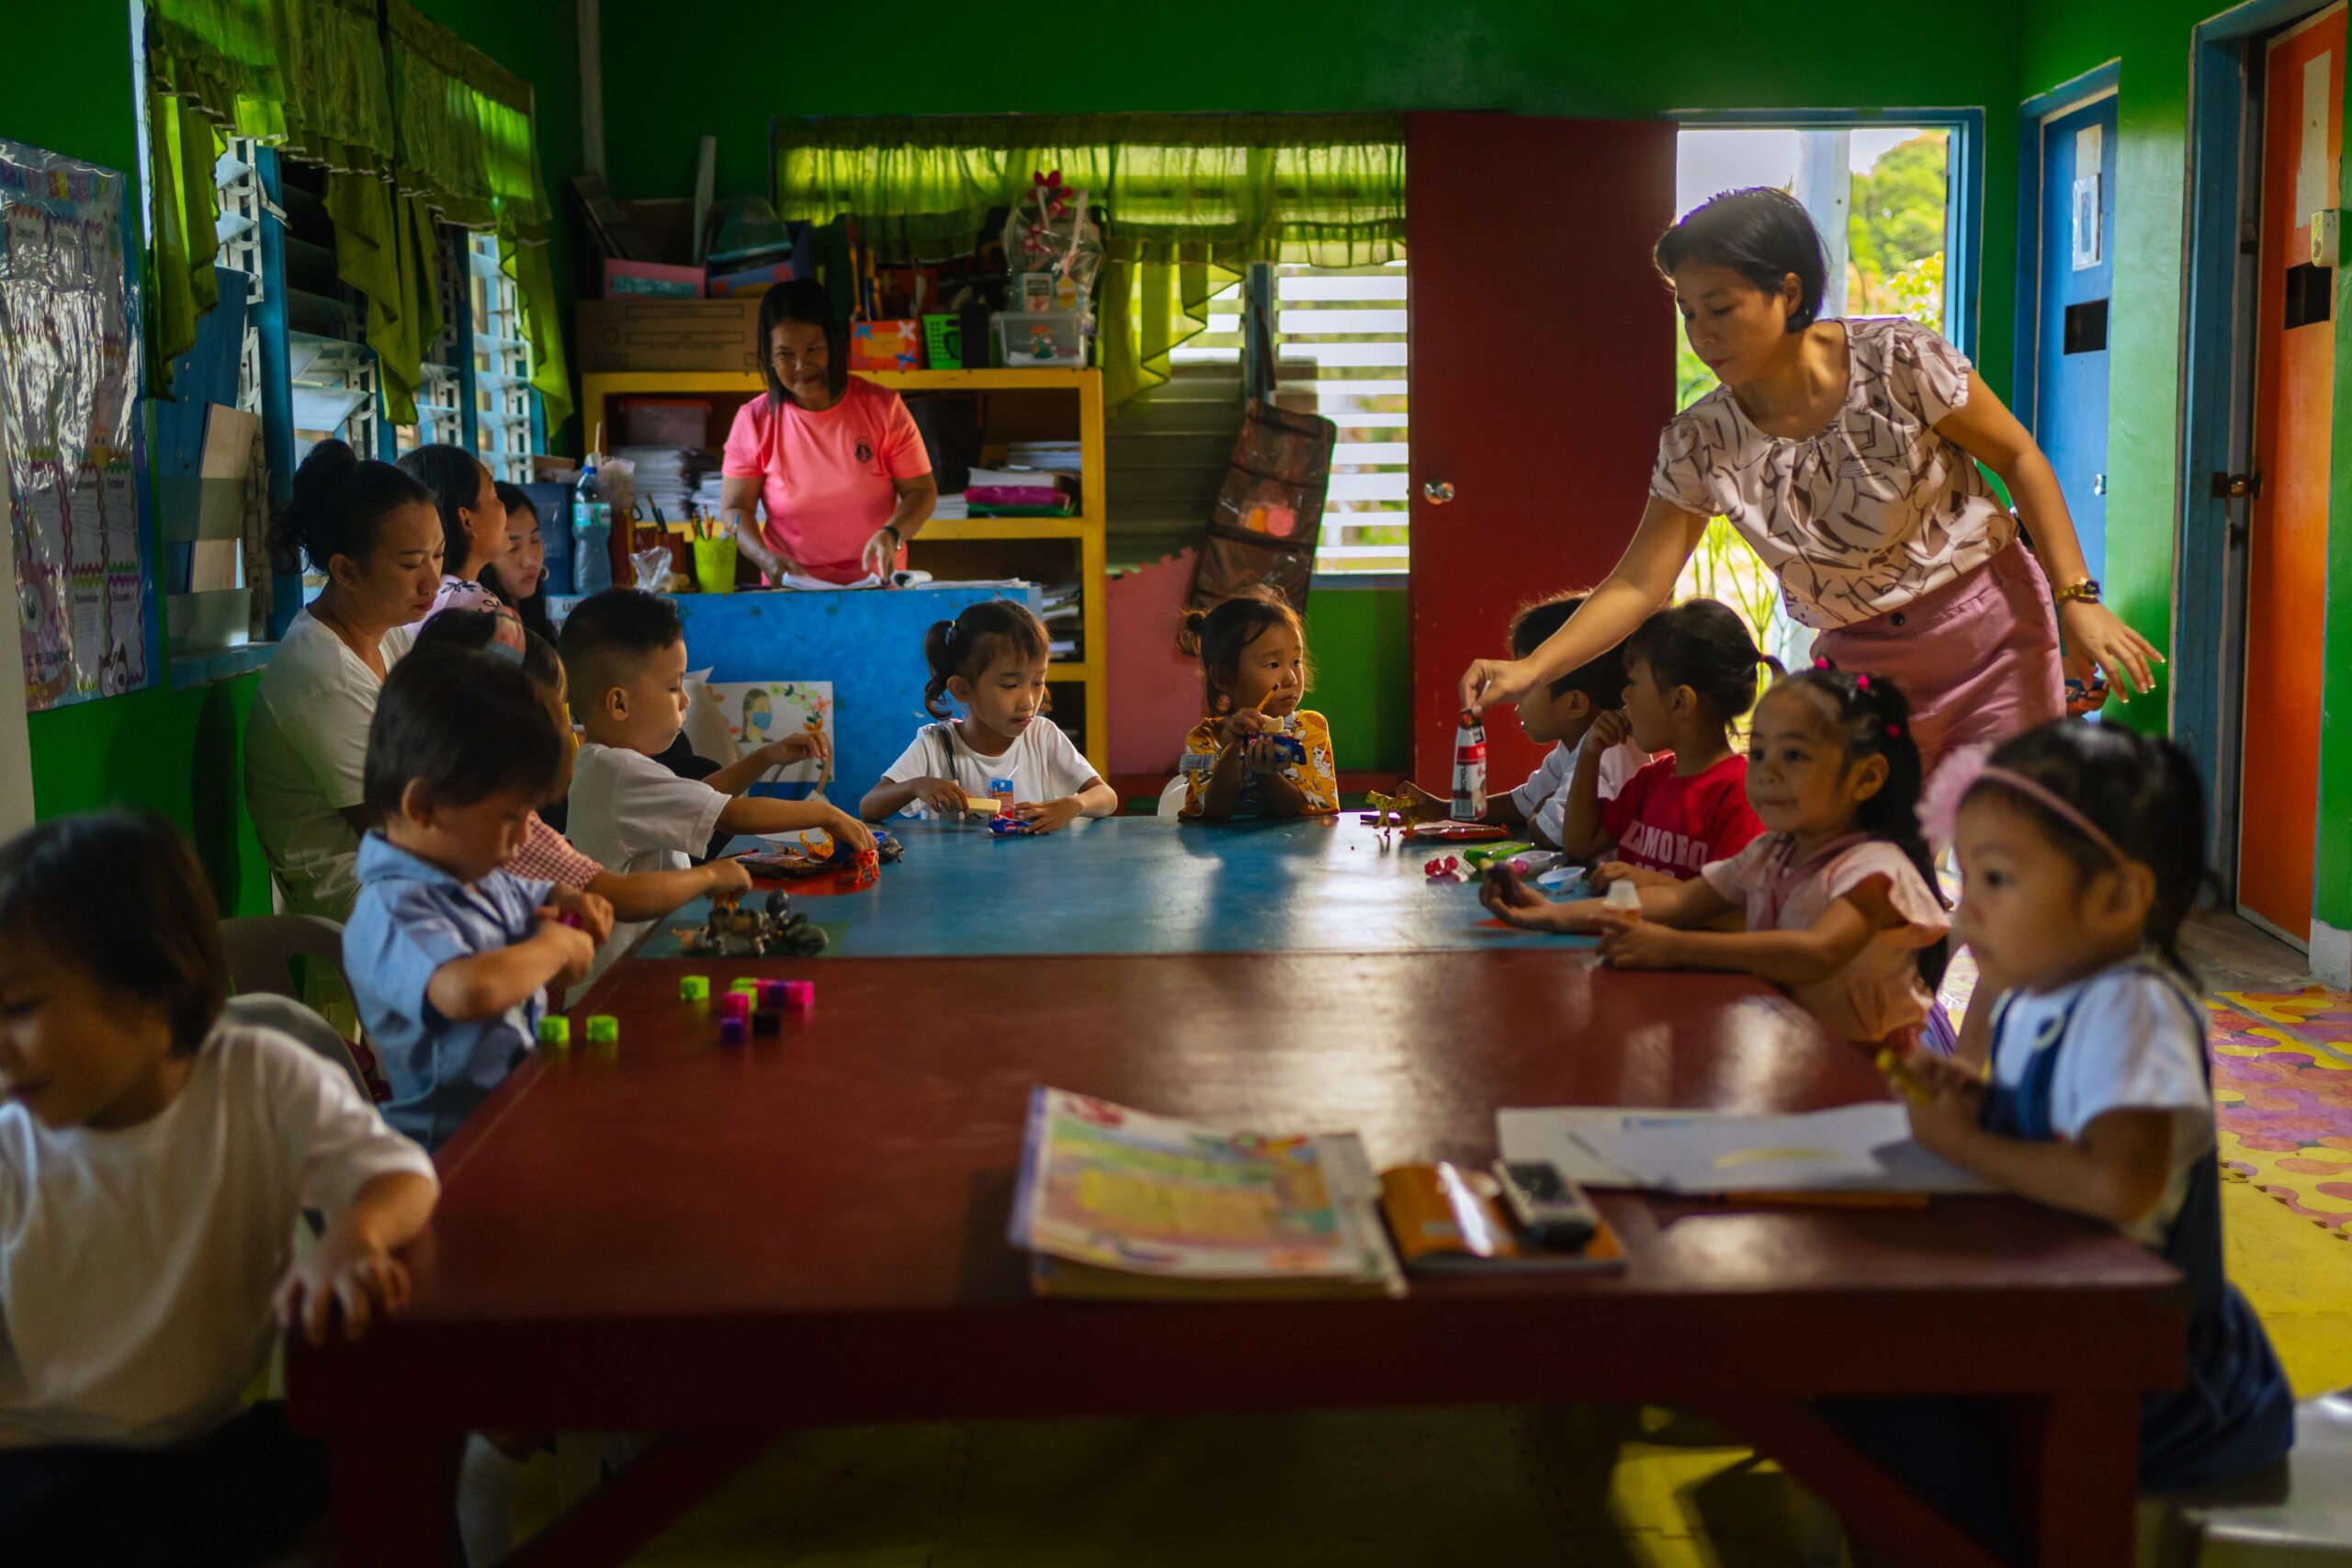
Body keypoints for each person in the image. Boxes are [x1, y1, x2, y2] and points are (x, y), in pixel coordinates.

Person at [1457, 187, 2163, 786]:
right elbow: (1639, 583)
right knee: (1866, 867)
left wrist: (2076, 599)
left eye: (1720, 308)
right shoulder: (1701, 442)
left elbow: (2019, 457)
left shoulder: (1898, 358)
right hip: (1861, 663)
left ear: (1787, 292)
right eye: (1688, 312)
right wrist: (1534, 669)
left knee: (2013, 842)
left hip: (1992, 628)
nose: (1702, 333)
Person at [1839, 722, 2294, 1560]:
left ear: (2116, 899)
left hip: (2146, 1380)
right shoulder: (2036, 994)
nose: (1964, 910)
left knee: (1871, 1397)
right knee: (1854, 1363)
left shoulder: (2134, 1006)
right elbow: (2061, 1126)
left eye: (1997, 879)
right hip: (2062, 1313)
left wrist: (1961, 1143)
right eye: (1965, 876)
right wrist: (1985, 1102)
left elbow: (2117, 1182)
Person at [0, 811, 438, 1562]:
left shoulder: (257, 1078)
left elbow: (402, 1175)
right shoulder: (13, 1143)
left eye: (19, 1008)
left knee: (370, 1451)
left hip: (202, 1453)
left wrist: (355, 1234)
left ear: (148, 987)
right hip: (38, 1462)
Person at [1485, 668, 1949, 1049]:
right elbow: (1677, 902)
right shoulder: (1771, 853)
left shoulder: (1874, 869)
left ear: (1866, 778)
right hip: (1800, 1053)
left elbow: (1816, 953)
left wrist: (1675, 947)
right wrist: (1547, 914)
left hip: (1880, 1076)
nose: (1766, 771)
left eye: (1793, 755)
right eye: (1759, 751)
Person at [343, 648, 610, 1150]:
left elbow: (532, 897)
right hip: (450, 1154)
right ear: (424, 806)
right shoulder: (392, 912)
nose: (523, 838)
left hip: (513, 1121)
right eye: (511, 818)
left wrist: (567, 898)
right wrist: (555, 947)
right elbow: (469, 991)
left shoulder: (474, 874)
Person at [560, 591, 874, 979]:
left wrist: (764, 758)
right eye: (674, 687)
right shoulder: (619, 771)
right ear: (619, 704)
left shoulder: (607, 767)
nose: (685, 701)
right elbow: (730, 814)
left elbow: (700, 798)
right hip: (621, 982)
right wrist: (825, 814)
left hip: (635, 969)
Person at [410, 612, 754, 921]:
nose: (566, 731)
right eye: (550, 716)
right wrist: (708, 877)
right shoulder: (483, 836)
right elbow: (617, 895)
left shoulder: (518, 824)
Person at [244, 439, 445, 920]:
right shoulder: (321, 674)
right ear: (346, 570)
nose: (433, 582)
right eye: (410, 564)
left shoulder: (390, 639)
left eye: (438, 556)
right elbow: (403, 835)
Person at [717, 278, 938, 585]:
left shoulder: (883, 408)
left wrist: (892, 533)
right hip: (791, 586)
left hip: (877, 585)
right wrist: (764, 557)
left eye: (813, 349)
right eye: (785, 354)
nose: (801, 365)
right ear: (768, 357)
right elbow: (735, 507)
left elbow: (921, 491)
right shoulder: (754, 420)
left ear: (834, 345)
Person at [1402, 592, 1646, 844]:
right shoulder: (1574, 744)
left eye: (1526, 686)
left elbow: (1553, 833)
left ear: (1574, 704)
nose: (1516, 700)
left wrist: (1538, 815)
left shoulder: (1605, 750)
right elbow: (1524, 803)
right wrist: (1442, 809)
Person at [1556, 598, 1770, 886]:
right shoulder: (1650, 780)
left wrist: (1649, 882)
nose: (1625, 696)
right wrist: (1589, 751)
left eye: (1633, 682)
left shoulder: (1738, 793)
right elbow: (1579, 845)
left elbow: (1734, 902)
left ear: (1680, 702)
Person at [861, 600, 1116, 831]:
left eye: (1038, 682)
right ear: (963, 689)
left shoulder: (1043, 736)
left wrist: (1074, 805)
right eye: (1009, 685)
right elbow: (869, 807)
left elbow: (1107, 797)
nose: (1028, 702)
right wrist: (915, 786)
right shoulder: (935, 745)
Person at [1176, 589, 1340, 823]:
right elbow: (1213, 813)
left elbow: (1300, 810)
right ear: (1223, 678)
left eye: (1296, 661)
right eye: (1273, 664)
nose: (1291, 679)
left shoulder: (1310, 728)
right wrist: (1231, 749)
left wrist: (1266, 775)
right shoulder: (1205, 739)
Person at [386, 444, 523, 659]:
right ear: (466, 520)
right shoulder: (473, 603)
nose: (503, 506)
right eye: (494, 495)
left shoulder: (419, 600)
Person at [481, 480, 553, 640]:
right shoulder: (485, 626)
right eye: (512, 548)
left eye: (535, 540)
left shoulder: (531, 612)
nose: (530, 560)